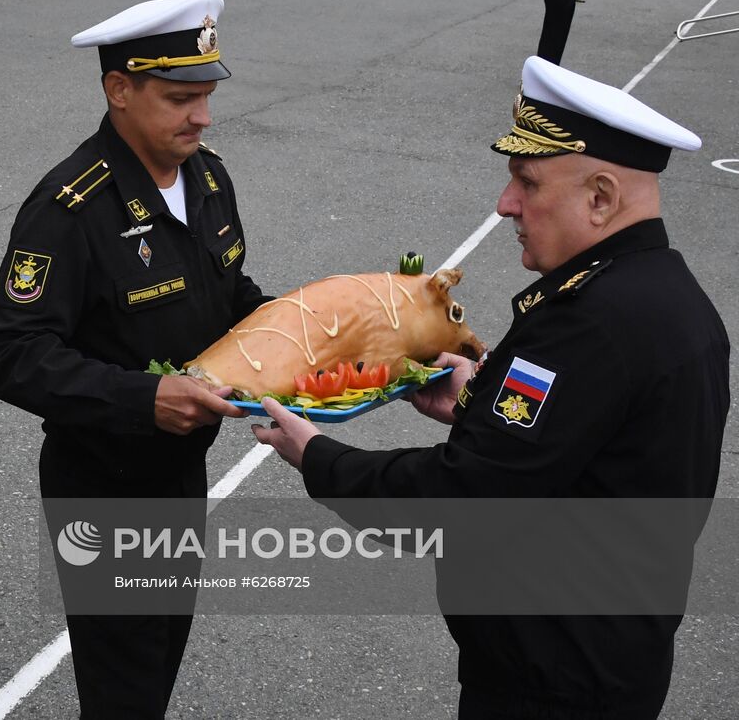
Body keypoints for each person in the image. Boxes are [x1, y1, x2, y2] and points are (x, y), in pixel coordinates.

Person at [253, 55, 729, 720]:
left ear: (601, 198)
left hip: (553, 684)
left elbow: (467, 500)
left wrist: (320, 458)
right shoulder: (668, 298)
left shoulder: (591, 324)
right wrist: (476, 399)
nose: (505, 203)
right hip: (610, 657)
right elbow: (583, 448)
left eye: (527, 183)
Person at [0, 0, 267, 719]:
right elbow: (8, 350)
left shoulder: (205, 176)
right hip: (103, 488)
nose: (201, 116)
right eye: (180, 99)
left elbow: (231, 295)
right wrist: (144, 399)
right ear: (119, 90)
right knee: (124, 689)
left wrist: (317, 329)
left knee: (158, 662)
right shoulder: (71, 206)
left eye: (206, 96)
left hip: (179, 472)